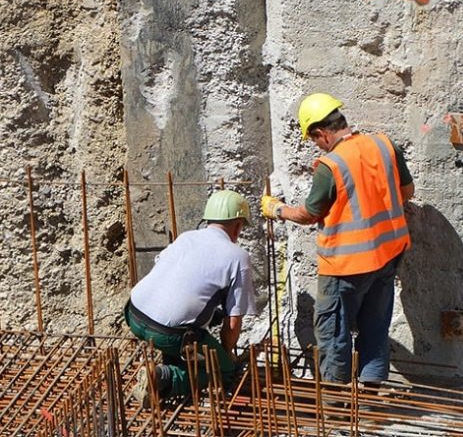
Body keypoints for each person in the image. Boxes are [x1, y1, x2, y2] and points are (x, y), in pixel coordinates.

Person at [261, 93, 414, 390]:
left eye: (314, 140)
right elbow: (406, 191)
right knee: (375, 326)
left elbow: (309, 214)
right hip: (388, 255)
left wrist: (276, 209)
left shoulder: (330, 165)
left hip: (346, 265)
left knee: (332, 331)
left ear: (321, 132)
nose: (316, 145)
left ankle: (335, 403)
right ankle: (370, 393)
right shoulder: (384, 145)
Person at [125, 189, 256, 407]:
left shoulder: (186, 238)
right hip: (167, 334)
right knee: (223, 371)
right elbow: (233, 323)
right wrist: (225, 355)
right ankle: (163, 377)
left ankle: (170, 363)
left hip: (133, 314)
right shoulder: (237, 257)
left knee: (192, 327)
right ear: (238, 226)